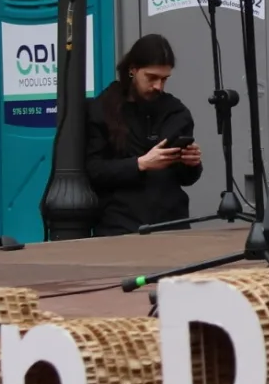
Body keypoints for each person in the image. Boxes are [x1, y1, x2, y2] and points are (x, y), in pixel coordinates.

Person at [83, 33, 202, 236]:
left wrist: (192, 164)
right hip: (119, 225)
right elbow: (93, 170)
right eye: (152, 77)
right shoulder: (102, 109)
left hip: (171, 223)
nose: (158, 86)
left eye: (164, 79)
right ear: (133, 70)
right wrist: (140, 164)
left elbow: (185, 179)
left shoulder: (176, 112)